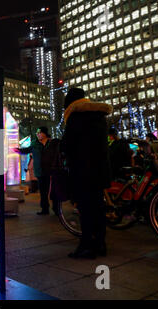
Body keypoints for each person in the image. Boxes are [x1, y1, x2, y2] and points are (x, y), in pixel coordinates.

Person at [62, 88, 113, 259]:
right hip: (99, 172)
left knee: (85, 210)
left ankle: (86, 246)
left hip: (83, 172)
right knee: (98, 208)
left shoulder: (76, 118)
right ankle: (100, 243)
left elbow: (67, 145)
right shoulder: (100, 117)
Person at [17, 127, 60, 215]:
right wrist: (17, 150)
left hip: (52, 171)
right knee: (43, 192)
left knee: (54, 191)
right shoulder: (34, 144)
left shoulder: (52, 143)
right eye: (37, 133)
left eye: (39, 132)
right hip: (40, 172)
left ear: (45, 133)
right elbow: (26, 150)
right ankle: (45, 209)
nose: (38, 134)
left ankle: (56, 209)